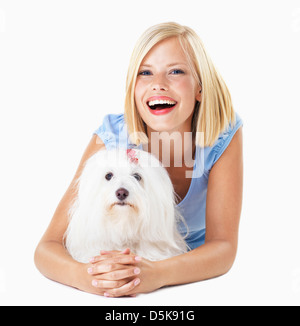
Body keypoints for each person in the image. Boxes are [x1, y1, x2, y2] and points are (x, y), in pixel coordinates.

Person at [34, 22, 243, 297]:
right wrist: (90, 278)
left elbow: (223, 248)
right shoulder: (111, 138)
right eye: (145, 73)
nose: (158, 84)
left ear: (200, 88)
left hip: (190, 271)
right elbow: (47, 247)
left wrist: (158, 274)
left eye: (176, 71)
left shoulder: (221, 135)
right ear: (133, 87)